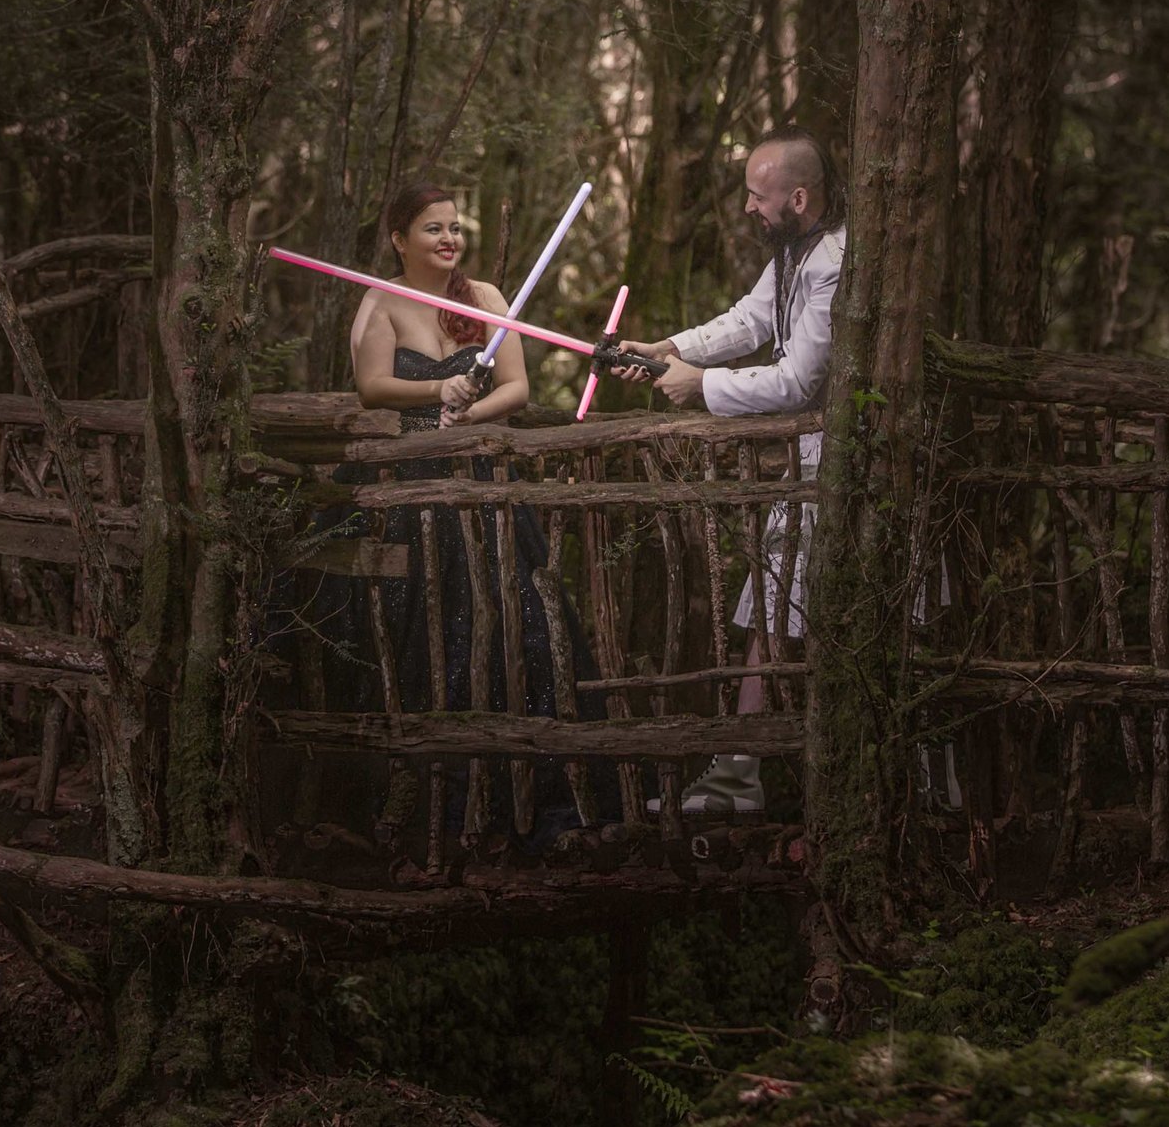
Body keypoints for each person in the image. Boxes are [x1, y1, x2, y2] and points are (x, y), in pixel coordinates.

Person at [327, 182, 604, 842]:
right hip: (406, 481)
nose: (449, 239)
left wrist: (466, 412)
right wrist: (436, 388)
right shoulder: (381, 300)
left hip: (476, 476)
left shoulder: (485, 300)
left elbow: (517, 385)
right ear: (399, 238)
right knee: (417, 627)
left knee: (519, 620)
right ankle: (421, 799)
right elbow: (370, 386)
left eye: (454, 227)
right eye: (432, 228)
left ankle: (530, 793)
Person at [615, 128, 843, 816]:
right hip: (812, 471)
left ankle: (913, 782)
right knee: (770, 612)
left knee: (814, 617)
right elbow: (749, 320)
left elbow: (801, 380)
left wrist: (703, 387)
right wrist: (668, 348)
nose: (749, 207)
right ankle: (739, 772)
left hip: (845, 468)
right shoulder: (794, 254)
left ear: (797, 197)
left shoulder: (833, 262)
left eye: (757, 195)